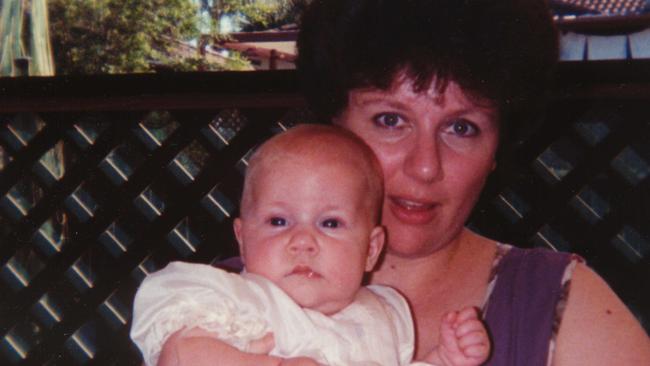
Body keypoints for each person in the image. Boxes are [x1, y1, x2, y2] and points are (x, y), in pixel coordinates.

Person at [292, 1, 650, 365]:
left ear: (497, 148)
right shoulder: (238, 297)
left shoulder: (565, 307)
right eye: (390, 120)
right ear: (333, 124)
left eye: (461, 128)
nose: (426, 166)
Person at [131, 125, 490, 366]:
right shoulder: (236, 299)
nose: (302, 241)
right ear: (242, 239)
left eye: (330, 223)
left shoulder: (384, 317)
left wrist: (444, 358)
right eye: (279, 222)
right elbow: (181, 354)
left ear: (371, 248)